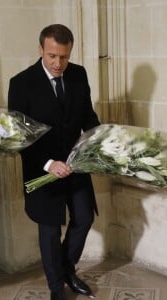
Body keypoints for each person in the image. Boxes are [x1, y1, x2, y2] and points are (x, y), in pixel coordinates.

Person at [8, 24, 100, 300]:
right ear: (40, 50)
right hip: (42, 169)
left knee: (83, 219)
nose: (59, 63)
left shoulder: (79, 74)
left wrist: (100, 141)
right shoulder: (20, 83)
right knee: (49, 232)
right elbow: (19, 137)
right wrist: (48, 163)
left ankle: (66, 269)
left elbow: (88, 117)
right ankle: (56, 288)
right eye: (52, 56)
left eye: (64, 56)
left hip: (76, 164)